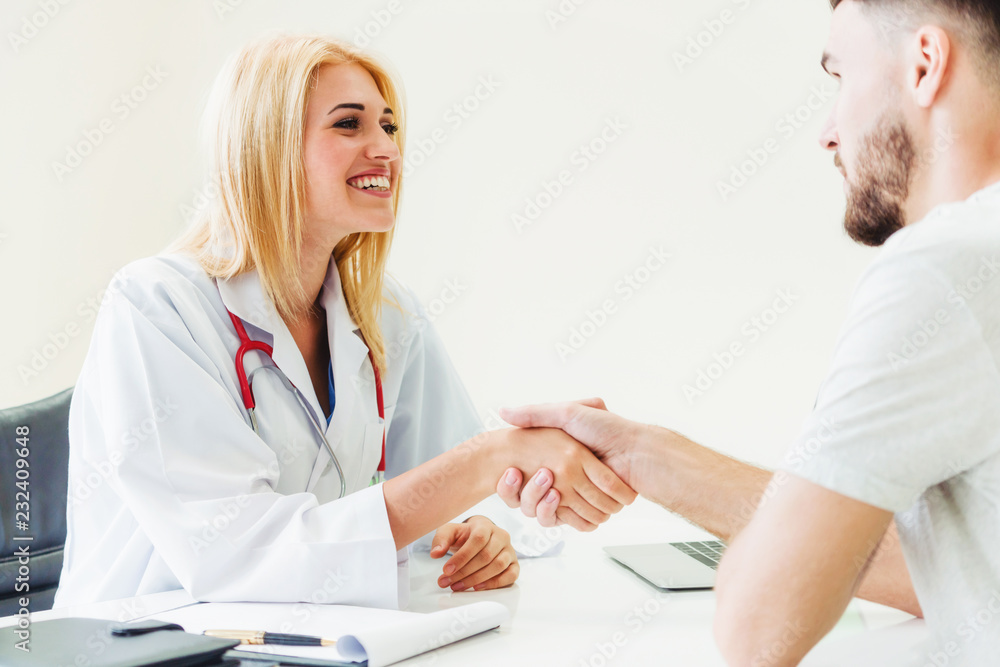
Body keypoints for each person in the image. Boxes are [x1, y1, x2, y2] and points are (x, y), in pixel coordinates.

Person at [53, 34, 636, 610]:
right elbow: (237, 553)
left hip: (313, 636)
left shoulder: (386, 314)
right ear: (267, 147)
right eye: (349, 124)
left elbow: (452, 492)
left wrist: (480, 533)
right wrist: (492, 457)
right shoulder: (157, 306)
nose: (386, 149)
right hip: (148, 638)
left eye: (389, 126)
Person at [497, 0, 1000, 663]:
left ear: (925, 65)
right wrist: (655, 459)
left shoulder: (942, 266)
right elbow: (936, 567)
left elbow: (758, 626)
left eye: (840, 77)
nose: (827, 132)